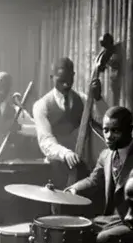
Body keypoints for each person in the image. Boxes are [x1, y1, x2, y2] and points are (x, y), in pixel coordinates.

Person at [65, 106, 133, 243]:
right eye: (106, 130)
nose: (108, 136)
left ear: (129, 130)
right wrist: (74, 189)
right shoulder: (106, 155)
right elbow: (94, 180)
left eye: (115, 131)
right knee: (80, 229)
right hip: (111, 219)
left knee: (103, 238)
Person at [32, 57, 108, 190]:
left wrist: (98, 99)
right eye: (61, 81)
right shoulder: (41, 106)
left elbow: (107, 120)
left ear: (74, 75)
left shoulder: (84, 99)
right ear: (52, 77)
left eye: (69, 80)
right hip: (55, 169)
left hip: (82, 169)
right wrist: (65, 153)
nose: (66, 85)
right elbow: (46, 140)